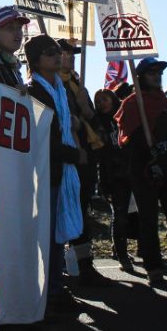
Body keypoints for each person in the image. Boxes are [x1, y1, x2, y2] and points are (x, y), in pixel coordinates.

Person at [116, 57, 167, 283]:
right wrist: (146, 153)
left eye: (158, 72)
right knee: (148, 219)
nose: (156, 76)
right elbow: (125, 140)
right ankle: (153, 267)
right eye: (151, 72)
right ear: (140, 77)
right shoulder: (132, 104)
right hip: (143, 169)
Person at [25, 36, 89, 307]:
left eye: (57, 52)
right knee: (47, 236)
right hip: (45, 171)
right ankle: (49, 293)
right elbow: (43, 140)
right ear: (36, 60)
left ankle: (56, 286)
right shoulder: (34, 91)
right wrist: (75, 154)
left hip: (61, 170)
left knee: (56, 236)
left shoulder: (61, 88)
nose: (57, 56)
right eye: (49, 52)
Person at [55, 39, 110, 287]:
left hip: (86, 153)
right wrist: (74, 121)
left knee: (83, 207)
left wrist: (96, 126)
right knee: (71, 208)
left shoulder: (77, 84)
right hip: (70, 154)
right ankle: (71, 266)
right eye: (66, 54)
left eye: (72, 54)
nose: (71, 58)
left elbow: (89, 113)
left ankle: (85, 264)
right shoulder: (54, 84)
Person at [92, 88, 134, 270]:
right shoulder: (98, 124)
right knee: (120, 215)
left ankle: (135, 250)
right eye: (98, 101)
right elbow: (100, 155)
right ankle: (122, 255)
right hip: (114, 175)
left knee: (137, 214)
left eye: (104, 99)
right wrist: (103, 182)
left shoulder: (124, 115)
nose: (102, 103)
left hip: (133, 170)